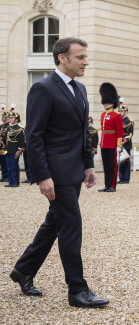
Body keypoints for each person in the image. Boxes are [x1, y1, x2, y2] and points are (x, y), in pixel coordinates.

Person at [10, 37, 108, 308]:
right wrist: (42, 176)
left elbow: (82, 134)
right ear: (62, 58)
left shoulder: (80, 89)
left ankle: (23, 270)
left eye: (86, 57)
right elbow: (34, 135)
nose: (86, 61)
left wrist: (88, 164)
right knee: (71, 226)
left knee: (55, 223)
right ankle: (77, 290)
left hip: (74, 170)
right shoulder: (43, 89)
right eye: (80, 57)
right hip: (56, 173)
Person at [98, 83, 123, 193]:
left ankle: (112, 185)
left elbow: (120, 132)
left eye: (107, 101)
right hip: (104, 143)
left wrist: (119, 145)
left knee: (112, 166)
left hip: (112, 143)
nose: (105, 104)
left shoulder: (116, 115)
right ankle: (106, 185)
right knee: (106, 165)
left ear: (112, 103)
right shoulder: (103, 115)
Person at [4, 111, 25, 188]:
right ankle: (10, 181)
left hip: (15, 151)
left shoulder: (20, 129)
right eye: (9, 118)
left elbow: (22, 142)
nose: (10, 119)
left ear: (16, 119)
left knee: (14, 166)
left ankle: (15, 182)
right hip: (8, 150)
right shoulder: (8, 128)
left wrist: (19, 151)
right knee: (9, 166)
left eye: (12, 118)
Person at [118, 100, 134, 184]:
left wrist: (123, 141)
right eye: (120, 111)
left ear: (126, 112)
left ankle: (126, 178)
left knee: (126, 161)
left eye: (122, 111)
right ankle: (121, 178)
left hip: (125, 144)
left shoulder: (129, 121)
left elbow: (130, 134)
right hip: (118, 144)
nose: (120, 112)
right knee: (120, 161)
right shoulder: (118, 120)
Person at [0, 106, 9, 182]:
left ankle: (7, 176)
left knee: (6, 162)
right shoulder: (1, 126)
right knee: (2, 162)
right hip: (1, 147)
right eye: (2, 117)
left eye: (4, 117)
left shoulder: (8, 126)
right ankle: (4, 176)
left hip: (6, 146)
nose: (3, 118)